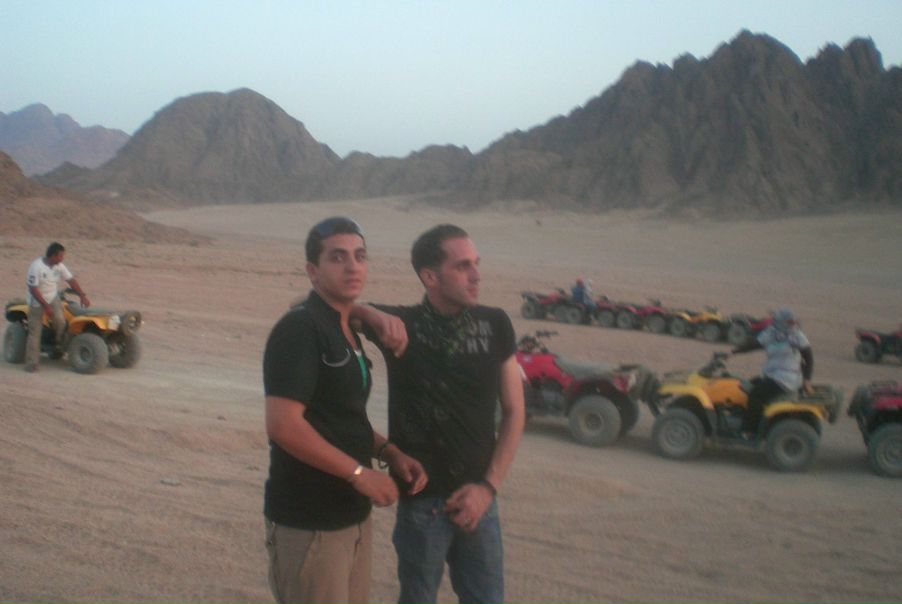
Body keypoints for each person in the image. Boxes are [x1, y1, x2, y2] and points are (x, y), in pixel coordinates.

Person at [353, 224, 525, 604]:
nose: (476, 275)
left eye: (476, 263)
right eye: (463, 266)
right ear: (430, 277)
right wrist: (368, 313)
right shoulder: (402, 325)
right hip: (421, 503)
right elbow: (311, 309)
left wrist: (488, 488)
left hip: (479, 499)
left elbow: (515, 412)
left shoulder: (495, 324)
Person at [262, 216, 427, 604]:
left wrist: (389, 452)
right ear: (313, 271)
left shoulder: (345, 329)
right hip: (310, 523)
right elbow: (283, 425)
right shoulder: (300, 330)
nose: (352, 266)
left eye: (360, 256)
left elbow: (341, 418)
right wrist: (359, 474)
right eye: (337, 257)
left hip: (350, 516)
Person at [731, 308, 814, 435]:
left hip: (786, 379)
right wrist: (733, 352)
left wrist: (807, 380)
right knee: (743, 386)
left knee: (755, 395)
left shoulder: (797, 336)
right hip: (771, 375)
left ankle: (750, 431)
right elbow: (755, 344)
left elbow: (809, 359)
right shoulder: (771, 333)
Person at [24, 242, 90, 372]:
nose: (62, 259)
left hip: (52, 297)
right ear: (53, 256)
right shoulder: (36, 267)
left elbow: (71, 280)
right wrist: (46, 306)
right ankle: (32, 363)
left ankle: (56, 344)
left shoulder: (59, 266)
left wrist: (82, 295)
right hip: (36, 301)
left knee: (60, 321)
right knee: (35, 332)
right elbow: (33, 289)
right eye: (60, 256)